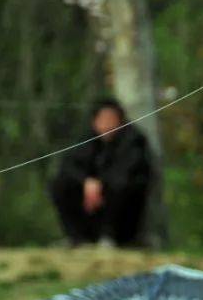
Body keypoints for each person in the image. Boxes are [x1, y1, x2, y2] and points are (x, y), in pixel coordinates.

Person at [50, 98, 151, 247]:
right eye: (102, 119)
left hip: (120, 204)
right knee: (60, 184)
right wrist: (86, 182)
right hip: (89, 198)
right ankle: (77, 238)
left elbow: (129, 170)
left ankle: (111, 237)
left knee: (121, 186)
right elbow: (70, 165)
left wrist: (100, 184)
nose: (107, 124)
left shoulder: (133, 140)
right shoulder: (87, 138)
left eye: (111, 119)